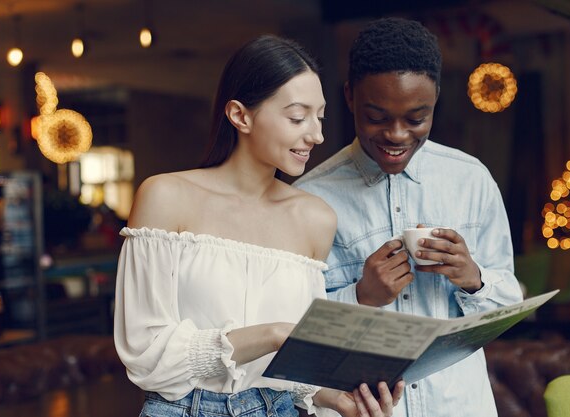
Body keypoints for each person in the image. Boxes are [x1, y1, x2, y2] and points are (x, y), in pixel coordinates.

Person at [113, 34, 404, 417]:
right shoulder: (166, 196)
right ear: (240, 115)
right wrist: (271, 335)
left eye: (320, 117)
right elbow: (146, 354)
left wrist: (332, 398)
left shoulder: (315, 219)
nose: (316, 135)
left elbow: (293, 369)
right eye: (298, 117)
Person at [294, 17, 523, 417]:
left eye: (416, 118)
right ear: (349, 97)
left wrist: (473, 278)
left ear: (435, 100)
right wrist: (360, 297)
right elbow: (292, 335)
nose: (397, 135)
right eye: (377, 117)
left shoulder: (471, 180)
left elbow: (508, 306)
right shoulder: (308, 199)